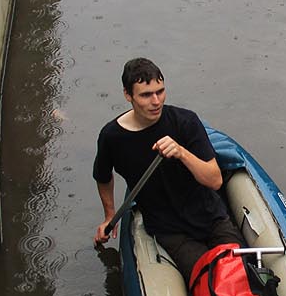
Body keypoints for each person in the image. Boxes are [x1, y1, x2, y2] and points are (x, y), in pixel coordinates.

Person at [93, 57, 241, 281]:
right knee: (208, 278)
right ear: (127, 95)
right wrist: (109, 215)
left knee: (239, 271)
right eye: (145, 95)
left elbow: (215, 181)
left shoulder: (185, 122)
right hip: (169, 230)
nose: (156, 101)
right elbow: (103, 176)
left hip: (210, 218)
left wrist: (181, 152)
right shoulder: (111, 137)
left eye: (160, 92)